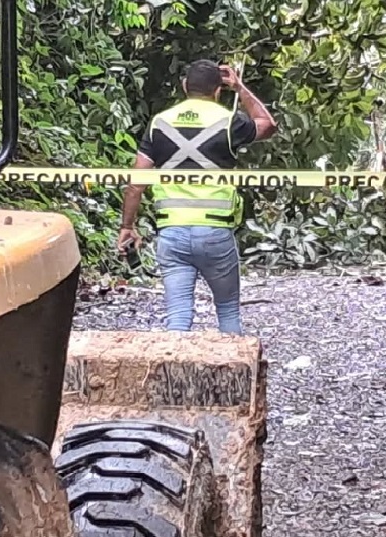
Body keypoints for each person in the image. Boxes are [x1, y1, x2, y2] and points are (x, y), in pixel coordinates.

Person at [116, 59, 277, 334]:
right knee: (227, 312)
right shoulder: (229, 122)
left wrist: (127, 227)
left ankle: (173, 374)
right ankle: (231, 372)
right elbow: (267, 124)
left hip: (172, 232)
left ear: (184, 86)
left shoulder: (159, 123)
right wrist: (239, 87)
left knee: (177, 318)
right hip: (215, 232)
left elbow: (136, 184)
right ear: (218, 90)